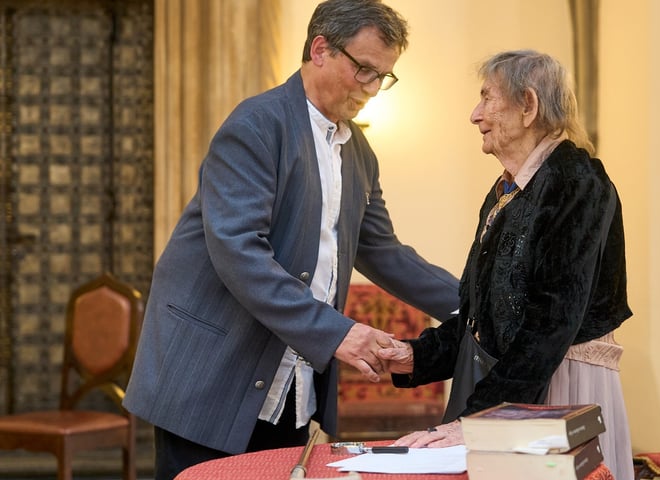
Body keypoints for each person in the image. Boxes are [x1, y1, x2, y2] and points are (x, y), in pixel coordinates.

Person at [122, 1, 460, 478]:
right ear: (319, 48)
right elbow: (239, 254)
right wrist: (338, 332)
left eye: (383, 76)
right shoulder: (257, 125)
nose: (372, 89)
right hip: (212, 375)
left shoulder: (358, 152)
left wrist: (477, 302)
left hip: (290, 383)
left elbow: (385, 253)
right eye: (363, 69)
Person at [378, 50, 634, 479]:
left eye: (486, 98)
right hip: (510, 383)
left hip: (557, 384)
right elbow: (480, 315)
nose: (475, 115)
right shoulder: (505, 191)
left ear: (528, 106)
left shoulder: (576, 180)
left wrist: (480, 420)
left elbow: (552, 321)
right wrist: (412, 356)